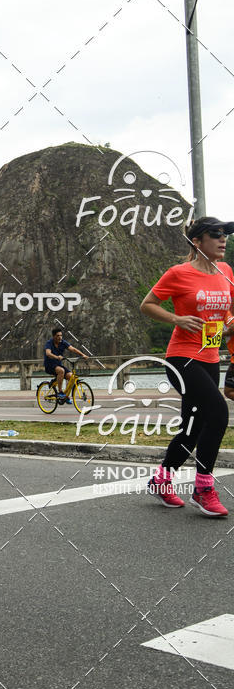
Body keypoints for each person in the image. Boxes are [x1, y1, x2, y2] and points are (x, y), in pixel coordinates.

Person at [141, 216, 234, 517]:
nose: (223, 239)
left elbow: (224, 318)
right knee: (218, 414)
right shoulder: (179, 273)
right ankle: (203, 488)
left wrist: (228, 327)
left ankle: (161, 480)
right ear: (197, 242)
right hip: (182, 357)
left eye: (225, 234)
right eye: (215, 234)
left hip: (209, 357)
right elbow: (148, 304)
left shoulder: (227, 273)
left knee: (192, 429)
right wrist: (177, 319)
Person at [43, 328, 88, 403]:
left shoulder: (63, 342)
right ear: (54, 336)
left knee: (72, 377)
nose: (60, 337)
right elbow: (48, 353)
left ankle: (66, 396)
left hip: (58, 365)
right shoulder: (49, 343)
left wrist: (82, 355)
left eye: (61, 335)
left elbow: (73, 349)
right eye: (58, 336)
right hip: (49, 365)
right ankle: (60, 392)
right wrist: (57, 357)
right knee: (61, 371)